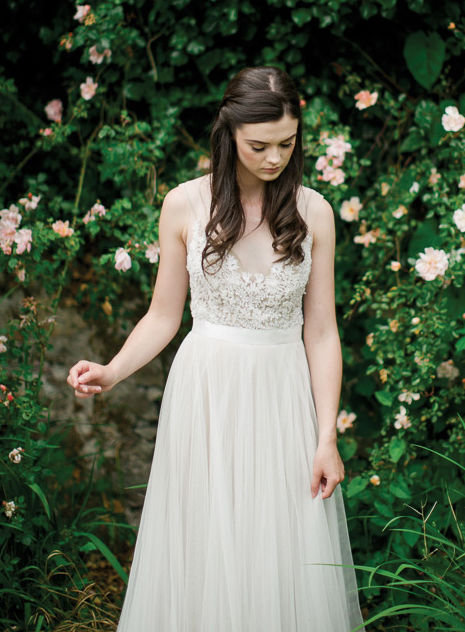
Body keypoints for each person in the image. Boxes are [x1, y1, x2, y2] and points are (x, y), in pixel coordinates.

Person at [67, 66, 363, 632]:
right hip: (206, 393)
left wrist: (326, 437)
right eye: (259, 145)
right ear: (228, 134)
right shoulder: (184, 205)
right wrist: (113, 371)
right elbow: (163, 316)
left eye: (287, 143)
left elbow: (321, 332)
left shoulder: (315, 212)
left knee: (279, 538)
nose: (275, 158)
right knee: (207, 538)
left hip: (281, 395)